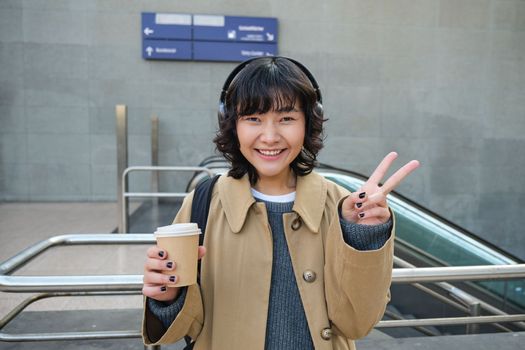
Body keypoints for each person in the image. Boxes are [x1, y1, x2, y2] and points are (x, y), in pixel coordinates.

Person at [141, 56, 419, 350]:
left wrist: (363, 238)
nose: (270, 137)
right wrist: (167, 298)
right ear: (232, 124)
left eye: (286, 118)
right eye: (253, 119)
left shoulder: (343, 207)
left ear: (308, 122)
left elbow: (357, 324)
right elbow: (183, 330)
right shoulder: (202, 204)